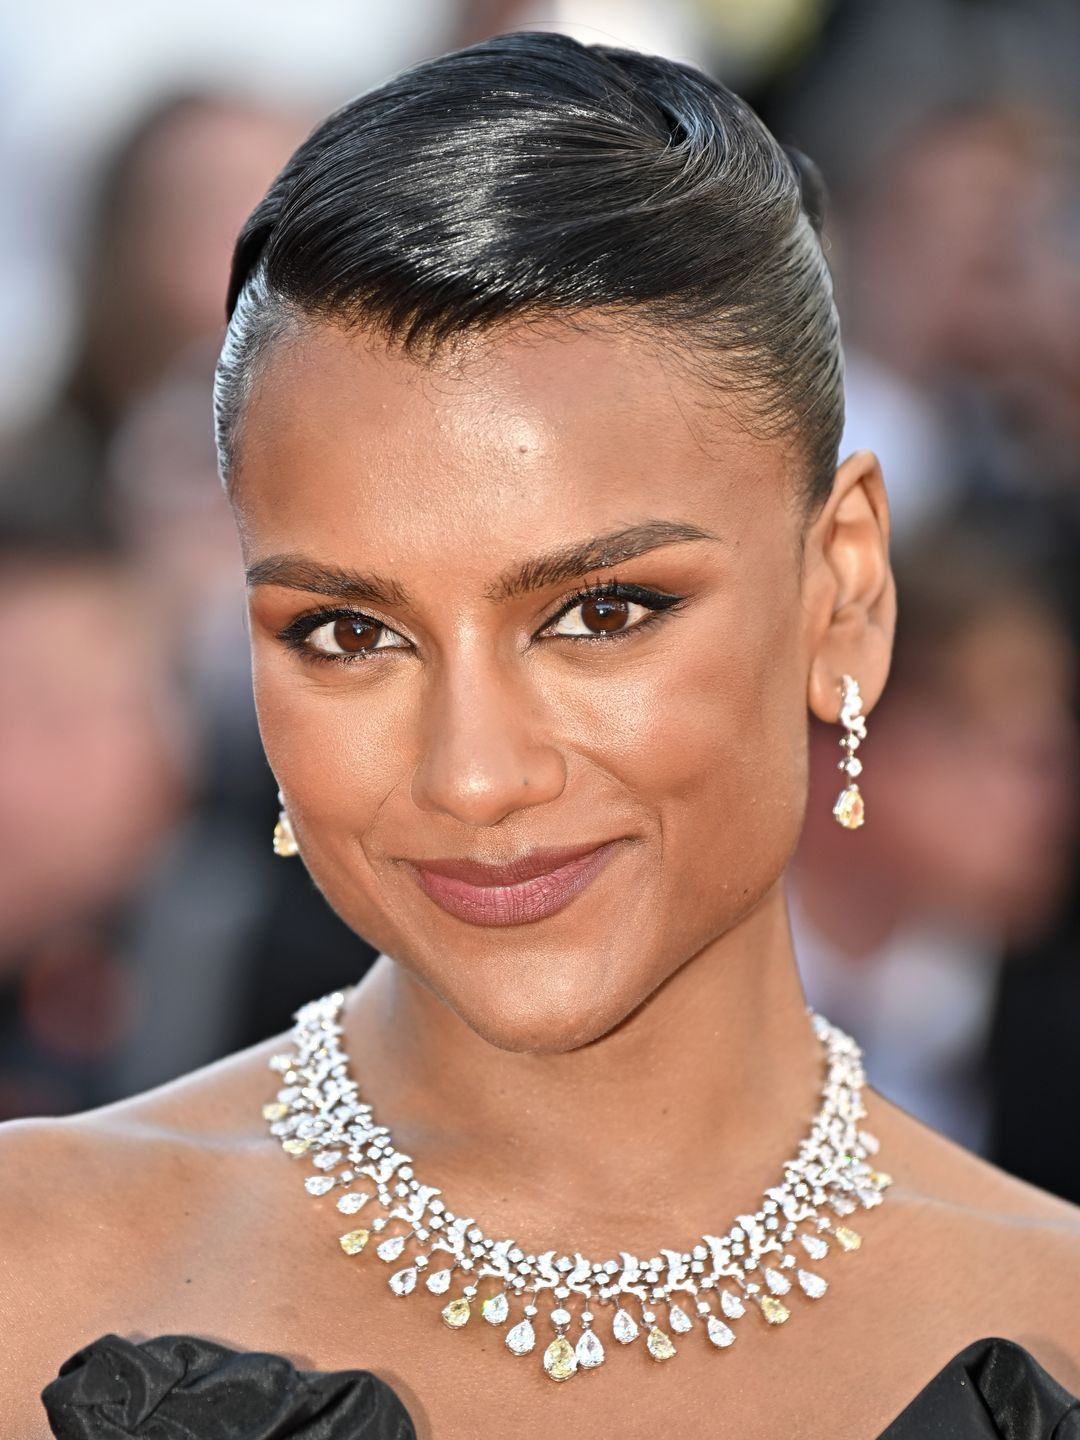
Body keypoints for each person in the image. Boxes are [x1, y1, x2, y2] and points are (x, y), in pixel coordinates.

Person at [2, 32, 1078, 1440]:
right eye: (348, 634)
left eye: (601, 611)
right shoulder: (35, 1271)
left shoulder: (1049, 1320)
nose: (476, 772)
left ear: (843, 595)